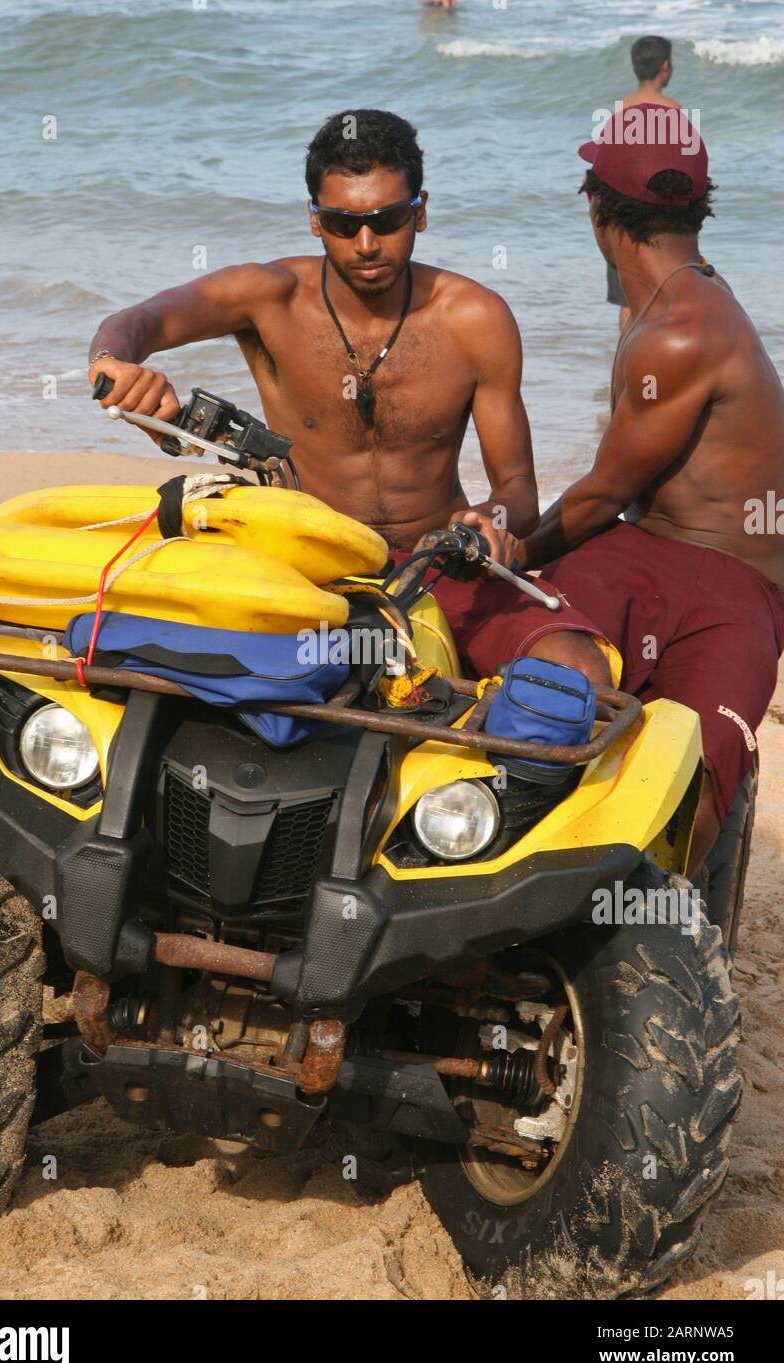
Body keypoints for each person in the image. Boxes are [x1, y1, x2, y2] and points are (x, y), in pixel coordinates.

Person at [87, 109, 611, 687]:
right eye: (343, 223)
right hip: (305, 559)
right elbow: (139, 321)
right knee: (149, 660)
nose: (366, 244)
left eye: (388, 220)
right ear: (314, 220)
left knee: (578, 671)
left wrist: (493, 523)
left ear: (422, 211)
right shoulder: (269, 298)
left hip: (440, 561)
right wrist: (115, 367)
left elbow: (519, 489)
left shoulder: (475, 320)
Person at [515, 109, 784, 874]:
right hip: (645, 548)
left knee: (691, 789)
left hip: (736, 586)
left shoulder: (680, 326)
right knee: (532, 687)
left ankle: (639, 918)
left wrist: (508, 549)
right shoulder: (669, 299)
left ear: (596, 207)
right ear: (699, 206)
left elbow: (600, 498)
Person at [607, 36, 680, 334]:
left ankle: (625, 367)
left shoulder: (620, 109)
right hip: (656, 217)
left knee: (628, 301)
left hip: (620, 216)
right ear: (665, 67)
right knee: (662, 296)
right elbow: (676, 169)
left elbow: (610, 165)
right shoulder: (672, 109)